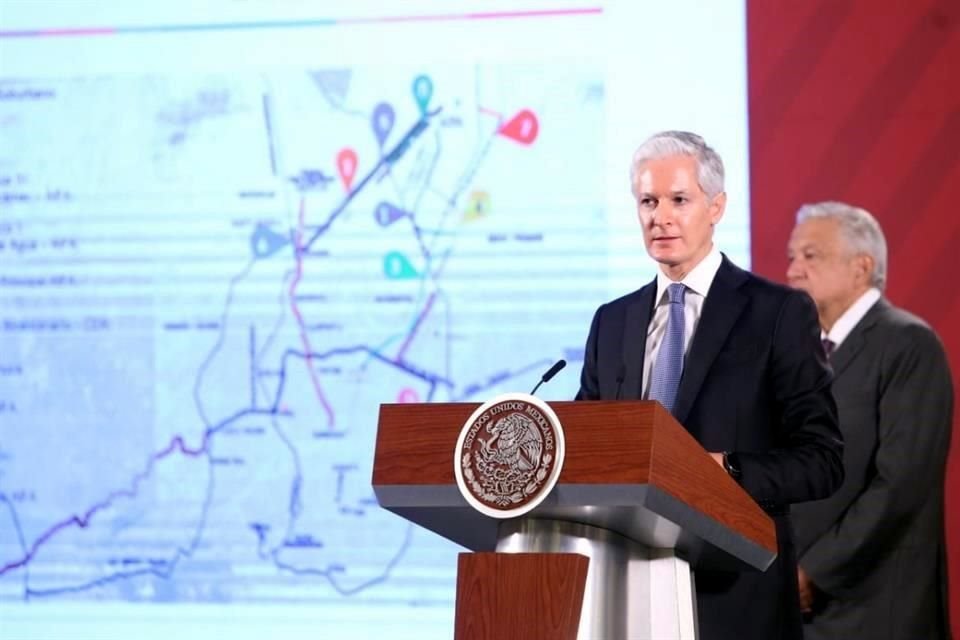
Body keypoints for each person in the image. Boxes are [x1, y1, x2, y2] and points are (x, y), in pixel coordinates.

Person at [576, 130, 844, 640]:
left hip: (735, 597)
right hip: (625, 592)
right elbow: (589, 447)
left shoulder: (776, 313)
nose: (661, 217)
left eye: (679, 200)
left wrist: (729, 470)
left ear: (716, 206)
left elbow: (822, 461)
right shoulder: (612, 321)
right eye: (648, 201)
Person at [787, 201, 954, 639]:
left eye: (810, 256)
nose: (792, 271)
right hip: (800, 611)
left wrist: (815, 571)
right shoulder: (802, 355)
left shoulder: (909, 344)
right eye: (792, 257)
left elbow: (900, 483)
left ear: (862, 267)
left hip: (877, 610)